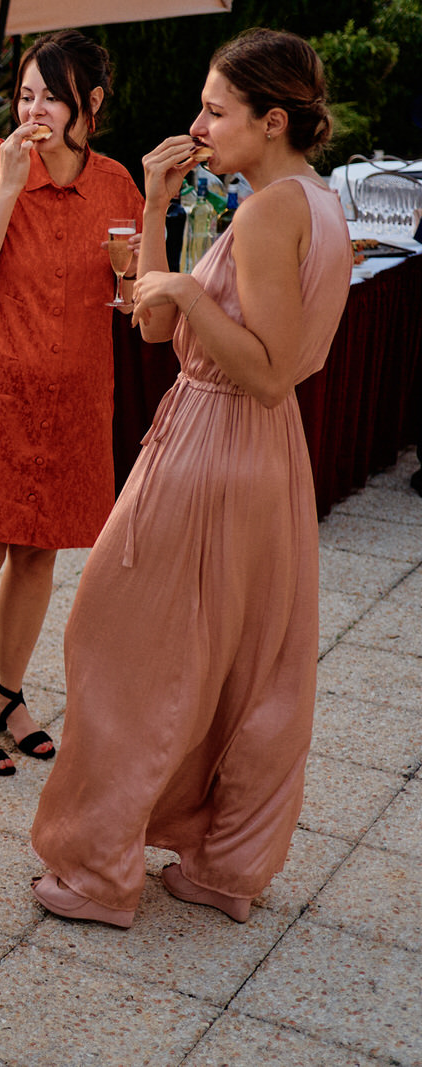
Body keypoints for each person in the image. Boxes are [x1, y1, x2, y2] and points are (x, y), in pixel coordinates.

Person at [31, 28, 351, 928]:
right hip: (265, 454)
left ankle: (98, 873)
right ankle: (222, 863)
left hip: (217, 441)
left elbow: (265, 366)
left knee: (121, 647)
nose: (198, 122)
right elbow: (151, 327)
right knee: (250, 667)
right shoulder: (310, 201)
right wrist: (163, 206)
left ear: (273, 118)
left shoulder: (267, 211)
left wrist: (188, 295)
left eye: (216, 109)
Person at [0, 30, 142, 776]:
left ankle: (6, 693)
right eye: (25, 93)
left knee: (40, 555)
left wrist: (131, 279)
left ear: (92, 104)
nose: (35, 109)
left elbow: (130, 293)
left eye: (53, 95)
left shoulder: (116, 184)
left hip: (75, 400)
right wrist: (11, 184)